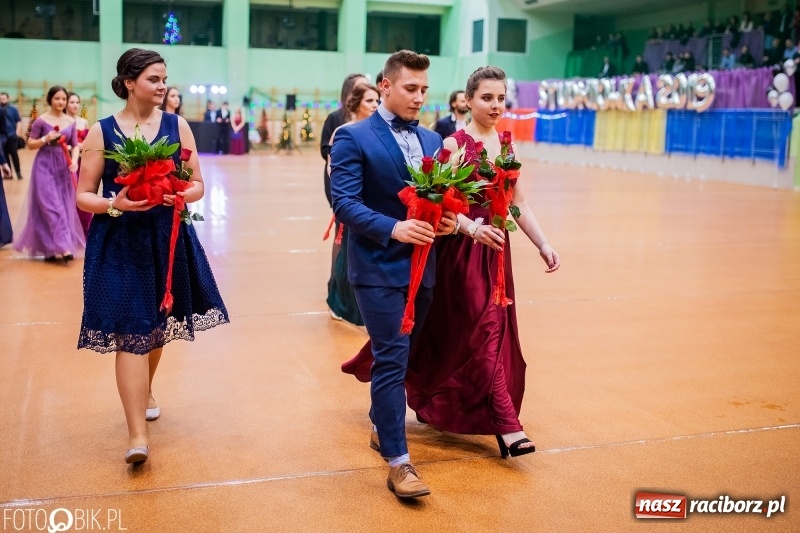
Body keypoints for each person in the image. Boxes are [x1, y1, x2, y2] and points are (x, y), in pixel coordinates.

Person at [342, 66, 560, 460]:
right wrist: (470, 229)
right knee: (482, 330)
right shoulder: (450, 144)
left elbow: (517, 202)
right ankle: (507, 424)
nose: (496, 106)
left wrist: (543, 243)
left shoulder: (507, 146)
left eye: (501, 98)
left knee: (482, 331)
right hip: (458, 252)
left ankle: (395, 404)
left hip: (496, 254)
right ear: (469, 100)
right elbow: (436, 202)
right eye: (487, 98)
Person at [76, 48, 229, 465]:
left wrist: (181, 192)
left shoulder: (178, 126)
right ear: (129, 82)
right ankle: (137, 436)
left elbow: (198, 183)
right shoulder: (101, 132)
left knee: (156, 326)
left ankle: (144, 391)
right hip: (120, 240)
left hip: (168, 236)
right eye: (154, 80)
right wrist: (116, 204)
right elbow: (84, 195)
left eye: (164, 79)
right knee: (132, 330)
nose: (163, 87)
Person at [330, 50, 456, 499]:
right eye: (410, 88)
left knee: (403, 354)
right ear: (385, 85)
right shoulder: (353, 136)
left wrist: (445, 221)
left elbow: (441, 199)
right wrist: (394, 227)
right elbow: (343, 202)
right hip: (377, 267)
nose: (420, 97)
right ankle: (400, 463)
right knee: (391, 357)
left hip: (424, 269)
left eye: (424, 89)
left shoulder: (433, 142)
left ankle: (382, 428)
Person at [324, 83, 380, 326]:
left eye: (377, 101)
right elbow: (332, 169)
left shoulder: (378, 130)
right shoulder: (344, 131)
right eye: (370, 101)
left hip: (375, 205)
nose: (375, 105)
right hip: (354, 204)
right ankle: (340, 302)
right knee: (347, 255)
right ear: (356, 103)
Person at [13, 85, 83, 262]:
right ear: (50, 100)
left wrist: (74, 160)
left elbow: (75, 145)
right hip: (44, 165)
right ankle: (63, 246)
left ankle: (50, 248)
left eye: (63, 99)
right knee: (50, 206)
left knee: (64, 204)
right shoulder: (41, 121)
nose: (61, 102)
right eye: (57, 98)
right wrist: (45, 139)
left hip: (63, 167)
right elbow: (30, 144)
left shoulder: (70, 121)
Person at [320, 73, 367, 320]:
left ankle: (355, 297)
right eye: (363, 91)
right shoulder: (336, 120)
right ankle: (336, 293)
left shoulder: (374, 123)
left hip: (365, 194)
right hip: (340, 186)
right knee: (341, 239)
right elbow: (325, 152)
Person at [66, 92, 92, 238]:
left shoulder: (83, 122)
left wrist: (85, 146)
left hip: (82, 161)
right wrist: (72, 148)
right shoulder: (63, 122)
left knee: (82, 193)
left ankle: (83, 229)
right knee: (68, 194)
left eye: (77, 102)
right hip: (67, 162)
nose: (75, 105)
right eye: (72, 102)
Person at [0, 92, 23, 179]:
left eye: (4, 99)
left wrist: (17, 133)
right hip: (2, 137)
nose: (2, 101)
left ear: (8, 99)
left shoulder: (13, 109)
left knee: (14, 154)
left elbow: (19, 121)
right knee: (5, 155)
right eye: (0, 99)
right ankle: (8, 175)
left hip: (12, 135)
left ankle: (18, 173)